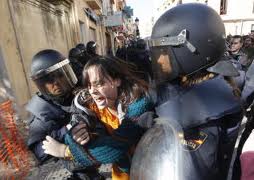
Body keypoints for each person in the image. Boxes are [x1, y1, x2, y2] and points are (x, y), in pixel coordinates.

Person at [130, 3, 244, 180]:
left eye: (164, 52)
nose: (159, 60)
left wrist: (158, 126)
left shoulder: (209, 109)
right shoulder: (197, 87)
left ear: (190, 52)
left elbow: (191, 171)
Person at [42, 56, 155, 180]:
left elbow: (114, 149)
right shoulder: (89, 107)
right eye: (89, 85)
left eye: (99, 84)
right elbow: (75, 133)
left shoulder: (138, 104)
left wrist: (65, 151)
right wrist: (75, 136)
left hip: (152, 170)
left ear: (117, 80)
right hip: (122, 173)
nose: (93, 91)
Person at [26, 49, 101, 179]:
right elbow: (37, 152)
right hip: (76, 164)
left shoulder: (79, 91)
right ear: (41, 85)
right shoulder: (42, 112)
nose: (57, 83)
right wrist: (66, 130)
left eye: (60, 75)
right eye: (50, 80)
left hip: (99, 152)